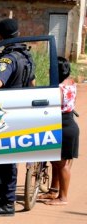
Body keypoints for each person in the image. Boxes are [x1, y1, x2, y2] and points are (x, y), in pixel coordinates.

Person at [0, 18, 36, 216]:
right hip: (18, 110)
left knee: (3, 158)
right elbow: (32, 84)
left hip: (5, 112)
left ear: (1, 36)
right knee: (6, 157)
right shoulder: (26, 55)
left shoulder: (8, 59)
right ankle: (2, 198)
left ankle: (7, 202)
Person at [37, 57, 79, 205]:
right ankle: (53, 191)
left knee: (62, 164)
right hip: (67, 123)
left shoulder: (58, 88)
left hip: (63, 125)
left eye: (51, 69)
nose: (48, 71)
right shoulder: (71, 83)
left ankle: (63, 198)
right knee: (56, 161)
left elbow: (52, 106)